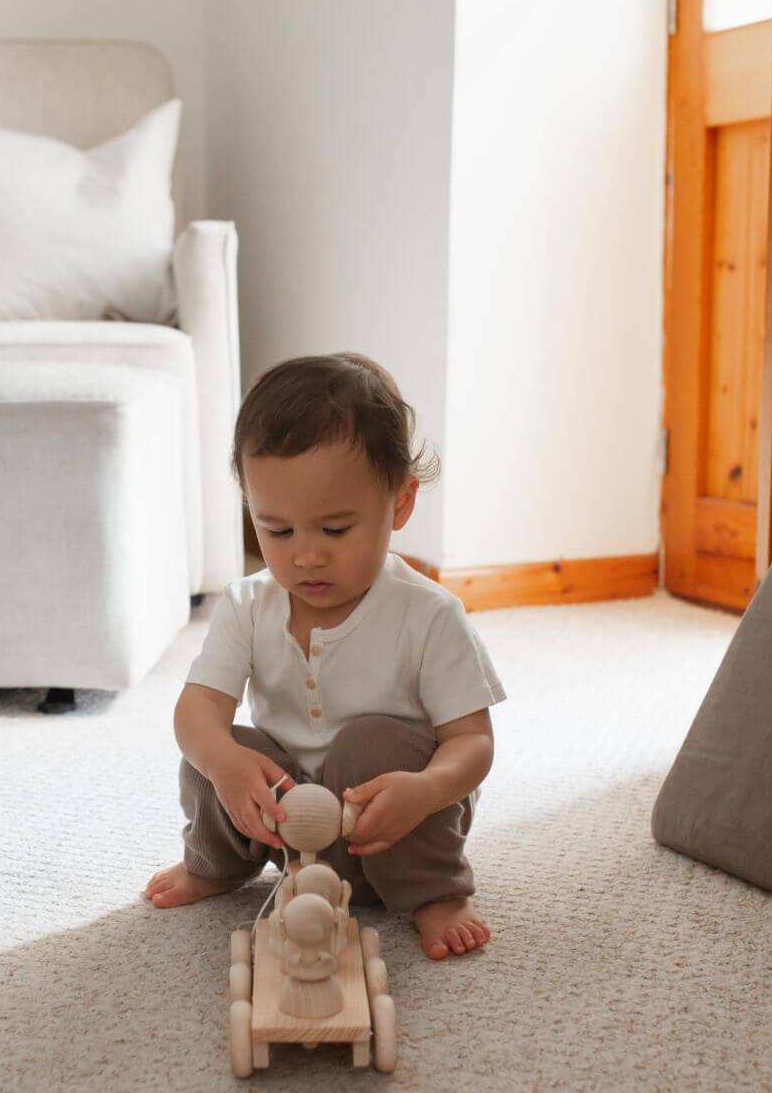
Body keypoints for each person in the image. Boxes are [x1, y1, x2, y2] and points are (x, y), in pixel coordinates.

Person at [144, 352, 506, 960]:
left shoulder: (430, 615)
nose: (305, 557)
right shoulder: (248, 605)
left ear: (400, 503)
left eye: (335, 530)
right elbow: (193, 714)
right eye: (277, 530)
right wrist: (226, 764)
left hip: (391, 822)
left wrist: (424, 790)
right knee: (219, 746)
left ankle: (434, 892)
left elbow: (473, 743)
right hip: (286, 825)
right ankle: (217, 865)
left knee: (371, 742)